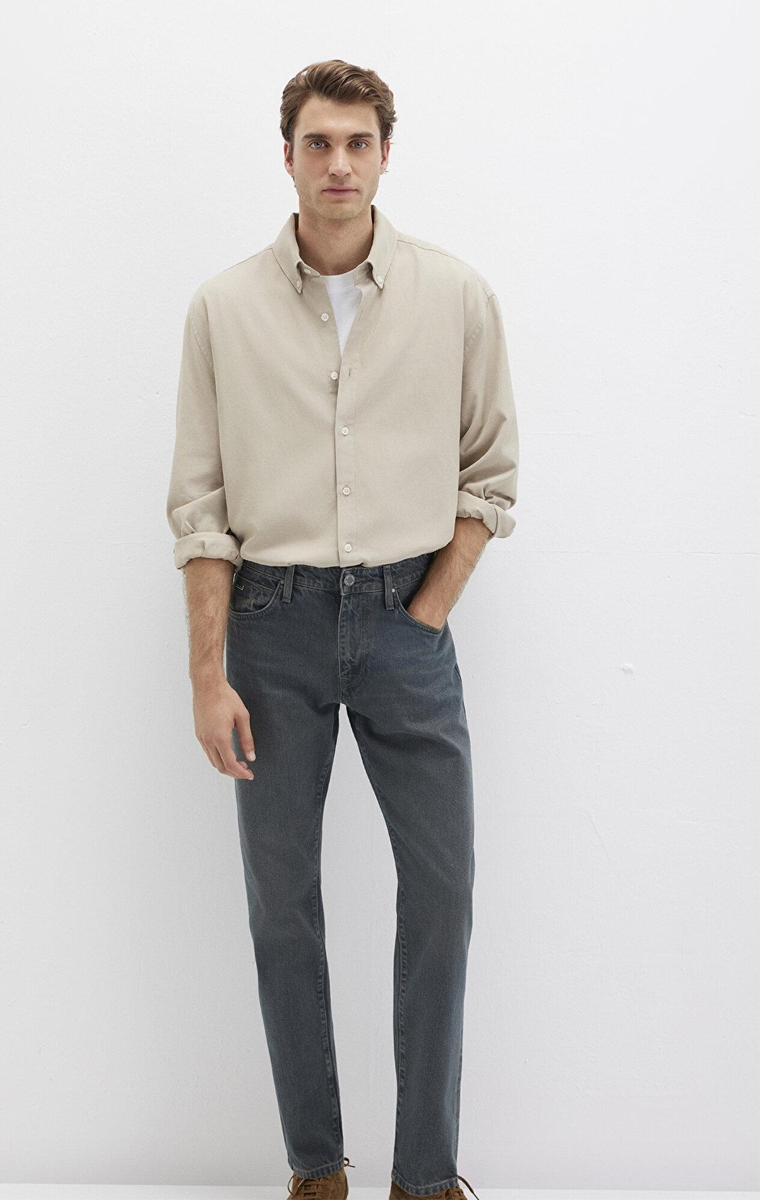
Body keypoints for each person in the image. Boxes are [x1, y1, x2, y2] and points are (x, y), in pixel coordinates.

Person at [166, 58, 518, 1200]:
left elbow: (491, 473)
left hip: (408, 619)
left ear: (384, 155)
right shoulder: (223, 309)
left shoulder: (455, 295)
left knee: (445, 891)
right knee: (283, 905)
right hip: (269, 625)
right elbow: (202, 505)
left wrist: (429, 608)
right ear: (287, 156)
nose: (338, 164)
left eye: (358, 143)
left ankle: (427, 1177)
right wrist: (208, 672)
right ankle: (316, 1169)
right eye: (318, 143)